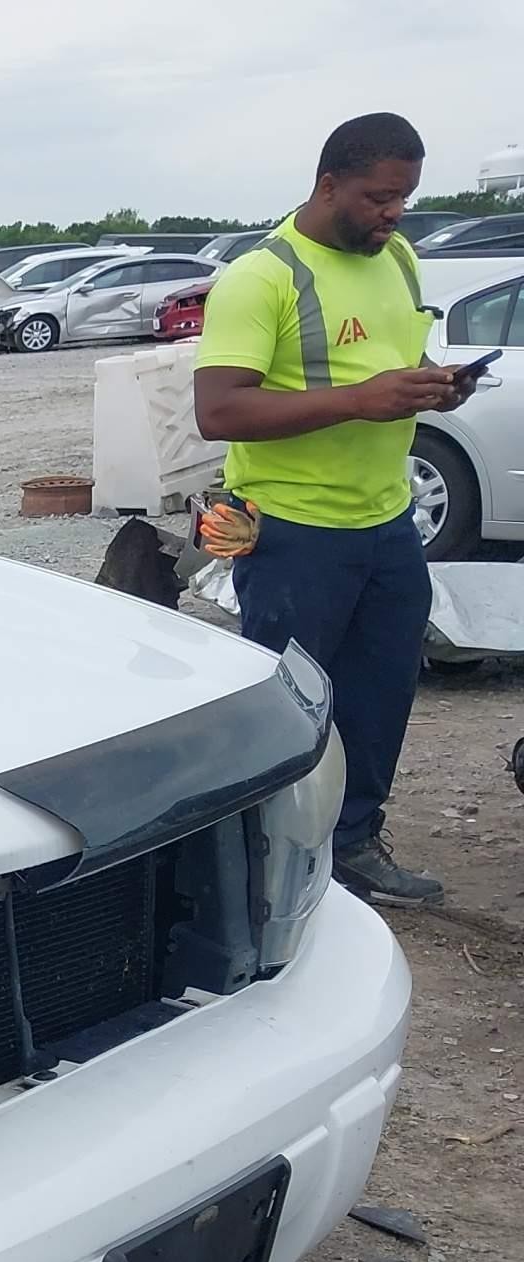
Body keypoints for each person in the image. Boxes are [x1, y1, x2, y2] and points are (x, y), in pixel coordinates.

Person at [192, 111, 485, 906]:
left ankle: (353, 844)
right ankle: (262, 862)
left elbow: (391, 365)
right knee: (286, 708)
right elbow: (217, 411)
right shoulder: (263, 276)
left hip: (387, 523)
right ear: (329, 184)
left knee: (381, 692)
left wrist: (430, 384)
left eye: (405, 198)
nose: (394, 214)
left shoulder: (398, 258)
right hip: (289, 532)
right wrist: (363, 400)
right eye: (379, 197)